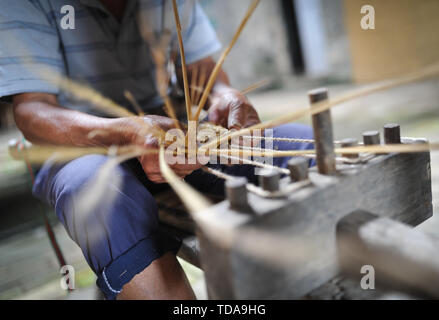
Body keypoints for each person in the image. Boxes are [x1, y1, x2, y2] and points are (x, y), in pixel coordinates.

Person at [0, 0, 314, 299]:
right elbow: (33, 112)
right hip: (79, 146)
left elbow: (204, 75)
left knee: (301, 146)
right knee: (94, 191)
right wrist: (125, 132)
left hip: (171, 135)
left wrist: (224, 95)